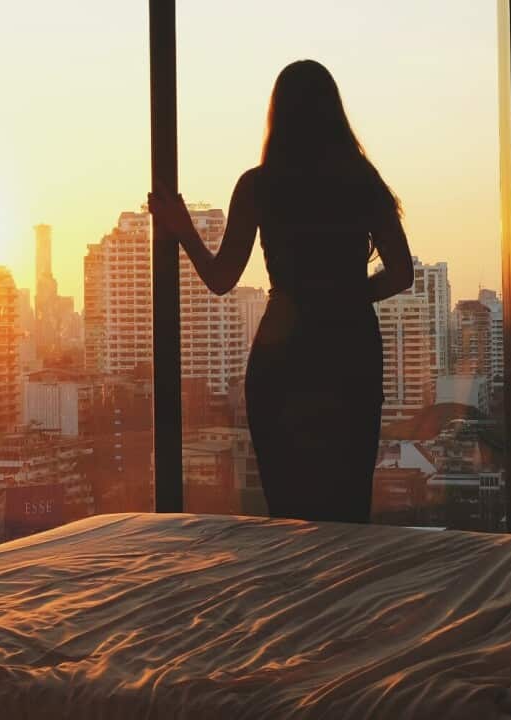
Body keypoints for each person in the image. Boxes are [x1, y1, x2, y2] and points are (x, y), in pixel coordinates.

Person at [149, 59, 412, 524]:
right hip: (350, 351)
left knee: (288, 512)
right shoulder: (361, 181)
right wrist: (345, 295)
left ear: (277, 115)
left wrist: (185, 231)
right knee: (348, 505)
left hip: (283, 355)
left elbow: (221, 277)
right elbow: (401, 274)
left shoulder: (259, 185)